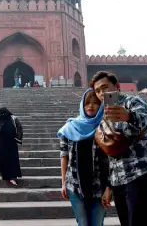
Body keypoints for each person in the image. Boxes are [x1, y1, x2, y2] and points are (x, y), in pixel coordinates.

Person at [90, 71, 147, 226]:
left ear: (117, 87)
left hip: (139, 174)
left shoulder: (133, 102)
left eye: (105, 88)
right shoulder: (104, 117)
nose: (101, 93)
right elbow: (109, 154)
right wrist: (108, 187)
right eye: (98, 91)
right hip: (118, 180)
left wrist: (129, 116)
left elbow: (143, 122)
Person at [58, 88, 112, 226]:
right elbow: (64, 156)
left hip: (100, 185)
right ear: (82, 105)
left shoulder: (106, 127)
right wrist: (63, 182)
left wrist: (109, 188)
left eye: (95, 103)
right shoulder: (70, 128)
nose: (90, 106)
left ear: (101, 106)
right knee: (83, 223)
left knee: (96, 223)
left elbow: (113, 159)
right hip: (75, 184)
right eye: (87, 103)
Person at [0, 108, 23, 186]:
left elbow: (19, 128)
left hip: (11, 144)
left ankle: (12, 177)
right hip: (1, 145)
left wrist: (18, 138)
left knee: (12, 161)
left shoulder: (13, 118)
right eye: (1, 114)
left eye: (4, 114)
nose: (3, 115)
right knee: (2, 161)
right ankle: (6, 176)